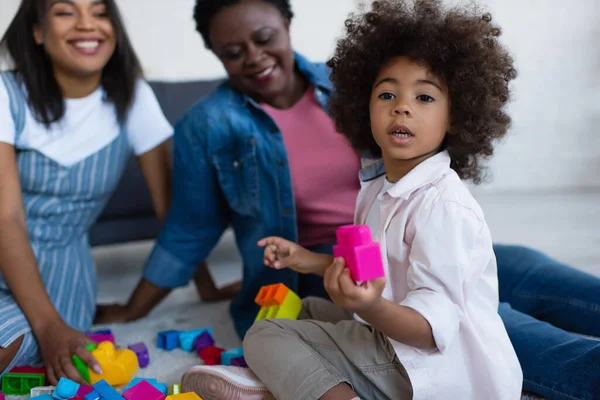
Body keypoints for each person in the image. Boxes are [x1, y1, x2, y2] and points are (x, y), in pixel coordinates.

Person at [103, 0, 600, 399]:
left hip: (408, 244)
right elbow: (188, 228)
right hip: (340, 270)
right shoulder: (209, 124)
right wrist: (133, 307)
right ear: (214, 52)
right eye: (233, 51)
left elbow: (438, 267)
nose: (253, 56)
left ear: (287, 22)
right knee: (495, 327)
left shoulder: (354, 83)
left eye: (264, 37)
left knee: (516, 278)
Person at [179, 0, 523, 399]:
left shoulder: (443, 206)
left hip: (430, 367)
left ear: (458, 116)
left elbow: (432, 332)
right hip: (391, 338)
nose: (403, 106)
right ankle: (292, 381)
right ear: (364, 106)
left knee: (265, 333)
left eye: (425, 98)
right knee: (305, 309)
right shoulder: (378, 186)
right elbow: (371, 272)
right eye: (387, 95)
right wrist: (303, 258)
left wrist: (373, 306)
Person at [0, 0, 174, 385]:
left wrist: (144, 304)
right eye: (65, 12)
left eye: (99, 12)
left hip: (61, 273)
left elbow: (174, 213)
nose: (86, 25)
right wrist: (49, 328)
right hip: (4, 242)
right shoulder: (4, 93)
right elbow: (5, 216)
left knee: (14, 342)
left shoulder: (134, 97)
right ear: (38, 31)